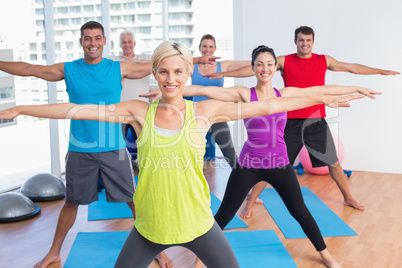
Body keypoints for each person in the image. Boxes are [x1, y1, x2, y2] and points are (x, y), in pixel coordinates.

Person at [0, 41, 363, 268]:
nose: (170, 78)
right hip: (150, 226)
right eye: (163, 71)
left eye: (178, 71)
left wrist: (324, 97)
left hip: (197, 223)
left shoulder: (204, 112)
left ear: (188, 73)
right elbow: (72, 109)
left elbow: (276, 104)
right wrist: (21, 110)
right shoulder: (136, 112)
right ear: (155, 74)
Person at [181, 45, 380, 268]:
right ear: (253, 68)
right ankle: (198, 260)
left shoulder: (285, 94)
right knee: (224, 216)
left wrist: (357, 88)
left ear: (276, 67)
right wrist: (166, 90)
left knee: (301, 212)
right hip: (249, 165)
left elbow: (320, 90)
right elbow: (202, 90)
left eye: (269, 64)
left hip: (279, 165)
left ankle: (326, 255)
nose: (264, 68)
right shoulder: (244, 94)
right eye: (259, 64)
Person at [0, 21, 153, 268]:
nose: (92, 43)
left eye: (97, 38)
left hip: (113, 148)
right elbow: (29, 68)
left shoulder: (118, 68)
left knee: (134, 200)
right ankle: (54, 253)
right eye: (88, 38)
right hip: (80, 150)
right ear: (81, 42)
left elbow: (157, 67)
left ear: (104, 41)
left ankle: (155, 249)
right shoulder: (68, 69)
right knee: (71, 203)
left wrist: (196, 60)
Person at [204, 26, 400, 215]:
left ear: (313, 42)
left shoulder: (324, 60)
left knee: (333, 162)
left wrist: (380, 71)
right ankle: (252, 201)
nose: (304, 44)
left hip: (315, 121)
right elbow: (254, 69)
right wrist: (224, 74)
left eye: (308, 40)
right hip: (290, 122)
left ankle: (348, 197)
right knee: (273, 164)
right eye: (301, 40)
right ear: (295, 41)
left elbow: (351, 68)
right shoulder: (283, 60)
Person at [191, 34, 250, 169]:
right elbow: (178, 62)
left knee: (230, 154)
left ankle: (244, 186)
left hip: (217, 115)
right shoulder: (192, 66)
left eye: (211, 46)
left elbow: (247, 64)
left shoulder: (222, 65)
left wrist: (265, 59)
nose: (207, 49)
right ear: (199, 48)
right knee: (191, 155)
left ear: (215, 49)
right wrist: (199, 59)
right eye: (204, 46)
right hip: (197, 116)